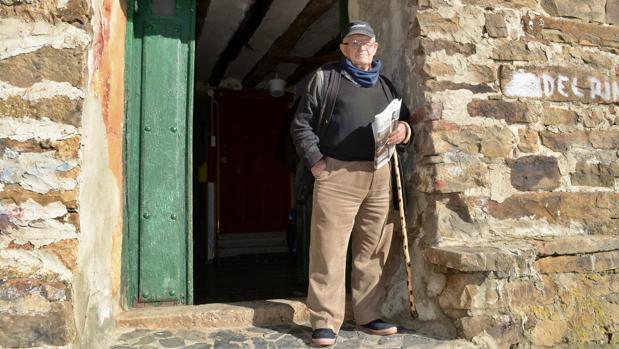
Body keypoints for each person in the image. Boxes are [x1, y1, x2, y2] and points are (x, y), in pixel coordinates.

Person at [290, 20, 412, 347]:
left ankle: (368, 314)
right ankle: (324, 321)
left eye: (366, 42)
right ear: (344, 49)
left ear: (375, 47)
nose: (360, 47)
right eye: (353, 42)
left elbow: (404, 121)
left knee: (374, 248)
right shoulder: (325, 79)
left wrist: (404, 131)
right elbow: (301, 126)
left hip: (381, 173)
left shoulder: (386, 85)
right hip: (336, 174)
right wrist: (318, 164)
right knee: (329, 248)